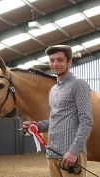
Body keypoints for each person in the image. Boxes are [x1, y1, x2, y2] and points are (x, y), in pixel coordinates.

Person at [23, 45, 93, 177]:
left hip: (70, 156)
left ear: (69, 62)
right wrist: (37, 126)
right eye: (52, 60)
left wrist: (73, 151)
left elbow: (86, 121)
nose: (55, 64)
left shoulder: (79, 85)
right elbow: (54, 120)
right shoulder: (53, 90)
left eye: (60, 60)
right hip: (52, 154)